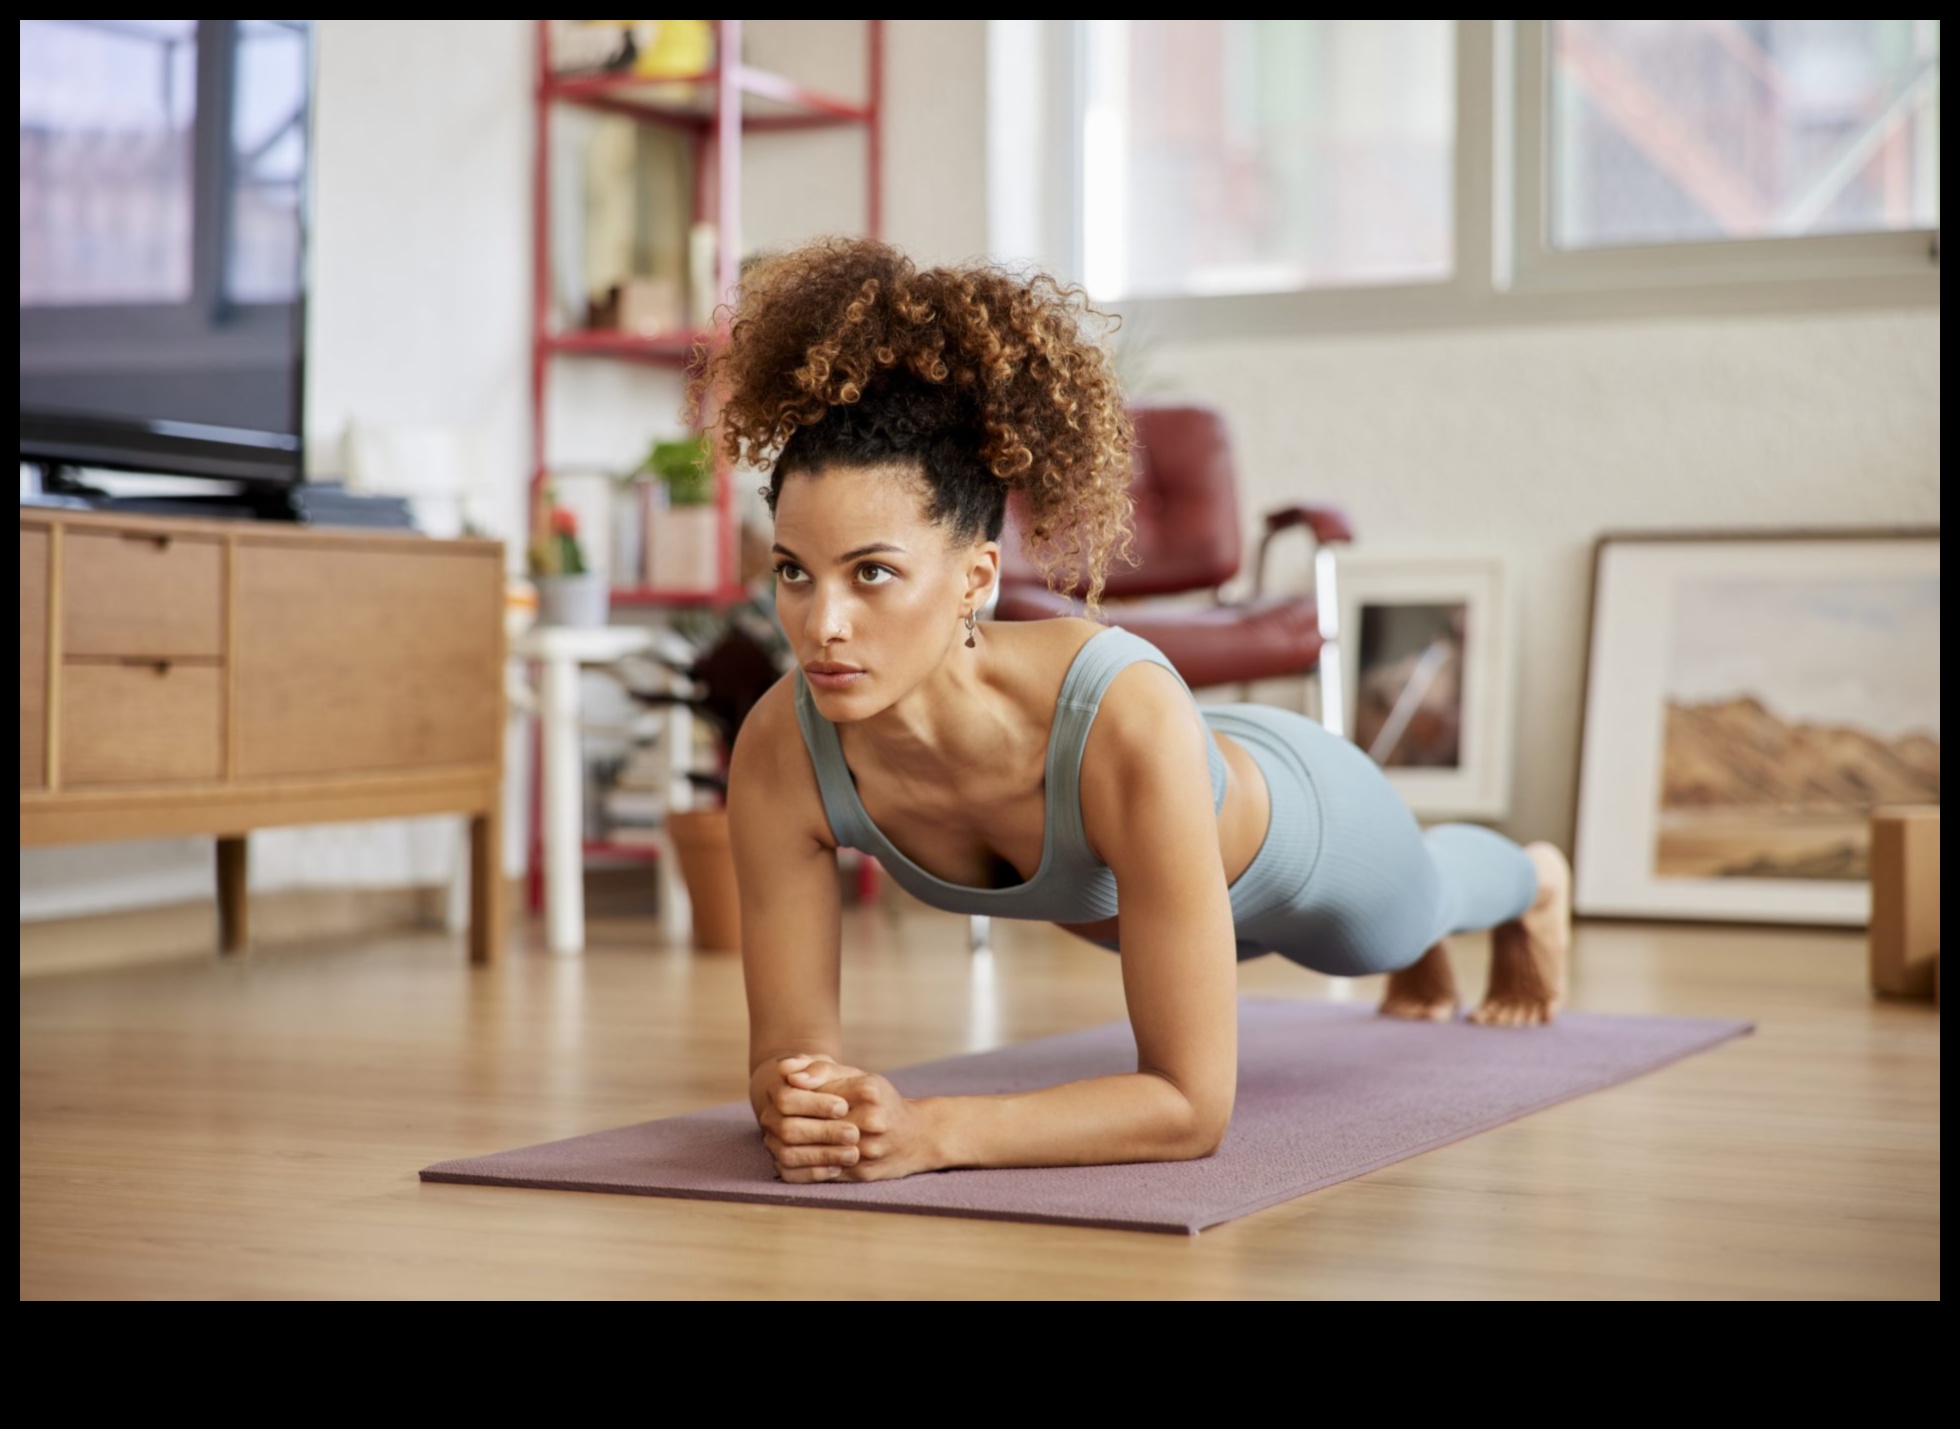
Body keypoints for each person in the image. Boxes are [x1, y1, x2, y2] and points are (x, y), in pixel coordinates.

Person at [712, 239, 1570, 1185]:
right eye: (794, 572)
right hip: (1138, 899)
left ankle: (1532, 881)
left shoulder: (1122, 713)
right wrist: (803, 1103)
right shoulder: (782, 749)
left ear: (976, 580)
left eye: (872, 573)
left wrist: (934, 1131)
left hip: (1302, 830)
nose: (821, 624)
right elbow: (784, 1056)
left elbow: (1189, 1107)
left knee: (1410, 919)